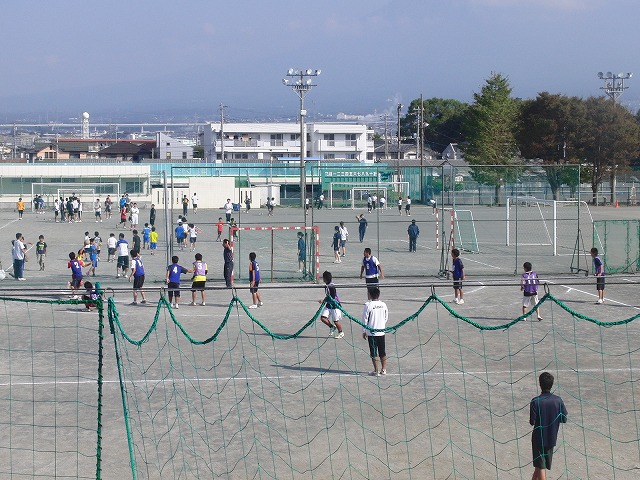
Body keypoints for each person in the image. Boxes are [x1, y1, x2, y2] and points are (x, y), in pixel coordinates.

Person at [530, 372, 567, 480]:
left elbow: (532, 421)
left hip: (538, 439)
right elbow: (564, 418)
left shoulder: (535, 401)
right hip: (551, 438)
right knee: (539, 465)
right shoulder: (558, 400)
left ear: (540, 384)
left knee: (541, 467)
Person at [362, 287, 388, 376]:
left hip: (371, 332)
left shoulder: (368, 305)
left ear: (370, 295)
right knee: (382, 351)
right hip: (381, 331)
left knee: (373, 352)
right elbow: (386, 317)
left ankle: (376, 370)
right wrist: (382, 325)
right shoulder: (383, 304)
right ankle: (383, 369)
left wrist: (364, 330)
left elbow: (365, 319)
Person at [319, 271, 344, 338]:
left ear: (325, 279)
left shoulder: (332, 287)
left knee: (335, 321)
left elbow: (332, 297)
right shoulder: (326, 286)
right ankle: (332, 327)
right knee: (323, 318)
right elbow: (327, 296)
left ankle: (341, 332)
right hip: (328, 305)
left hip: (335, 305)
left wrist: (323, 300)